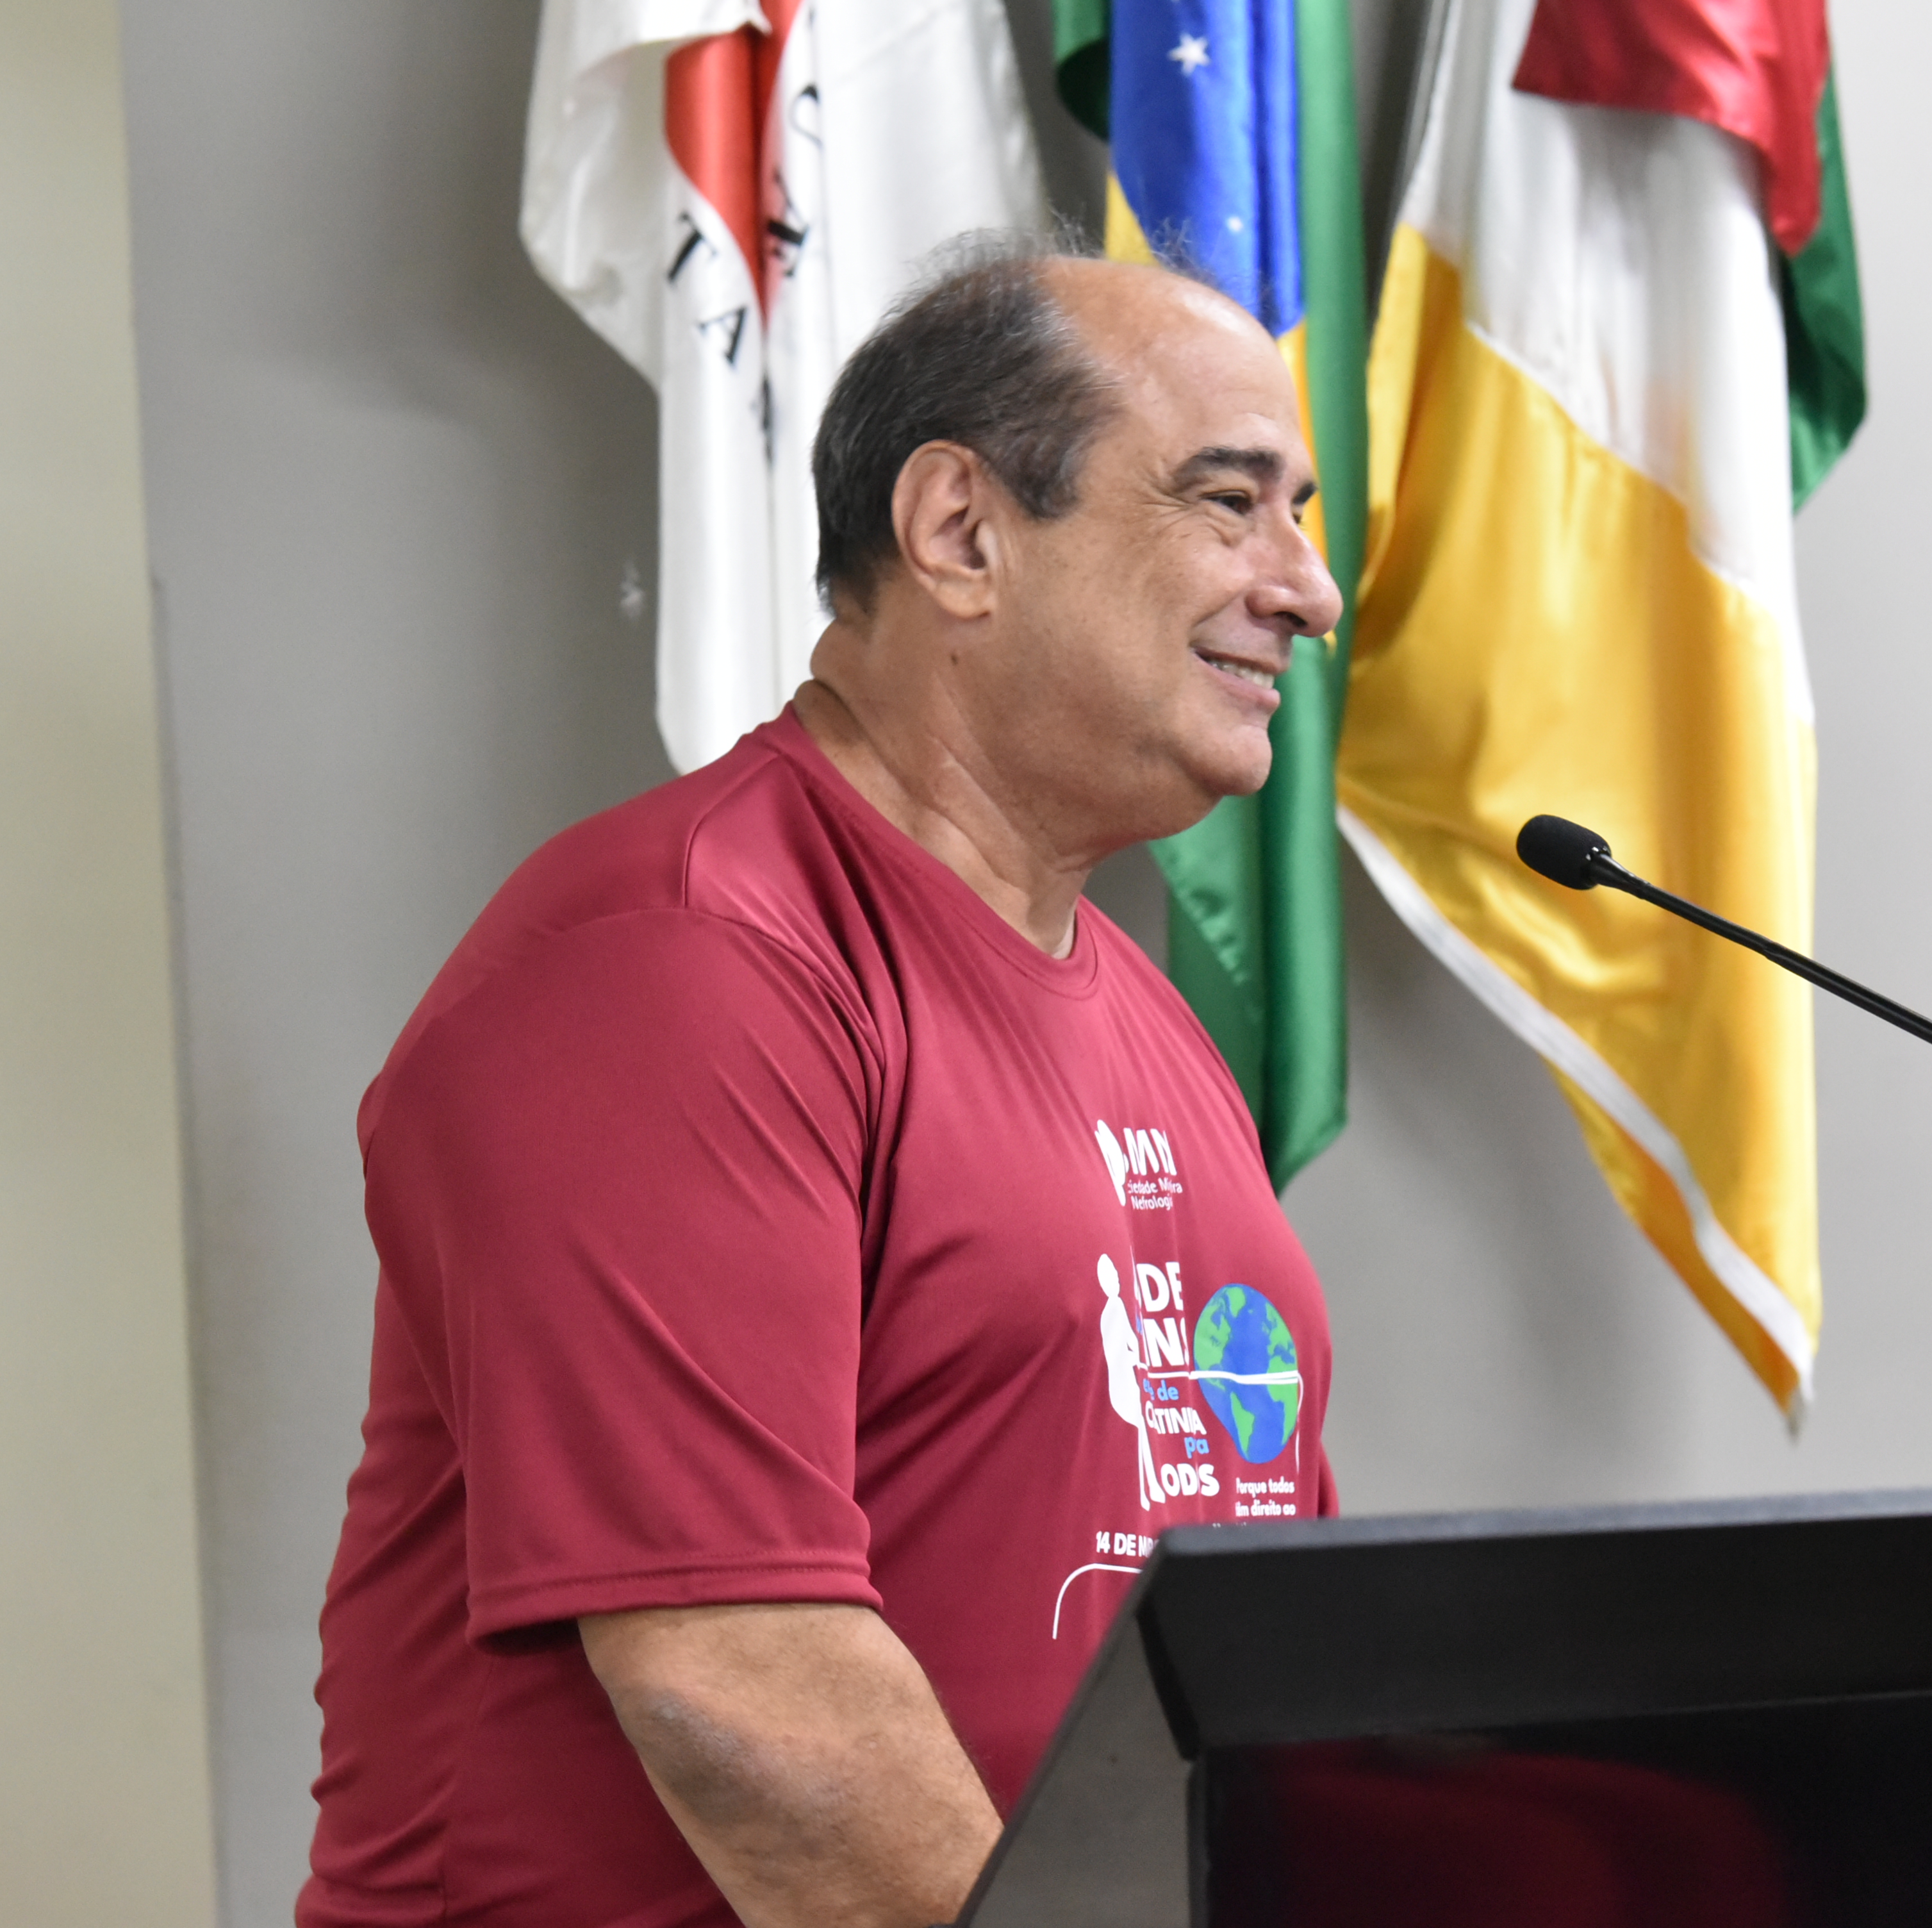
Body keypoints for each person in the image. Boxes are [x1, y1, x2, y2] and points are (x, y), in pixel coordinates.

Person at [301, 240, 1345, 1928]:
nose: (1309, 589)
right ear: (962, 532)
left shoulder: (1159, 1040)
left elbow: (1267, 1667)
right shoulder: (672, 965)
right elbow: (752, 1704)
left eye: (1300, 516)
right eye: (1230, 504)